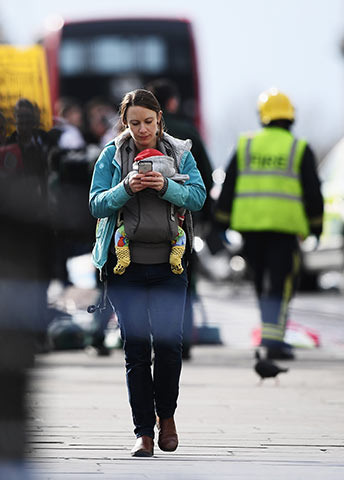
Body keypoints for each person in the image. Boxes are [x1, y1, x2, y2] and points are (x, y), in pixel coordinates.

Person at [89, 89, 206, 457]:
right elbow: (96, 203)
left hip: (170, 265)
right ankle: (143, 432)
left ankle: (166, 417)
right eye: (134, 123)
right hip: (126, 267)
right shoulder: (111, 155)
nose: (142, 130)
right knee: (136, 350)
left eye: (149, 122)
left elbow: (199, 196)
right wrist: (125, 188)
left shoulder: (179, 153)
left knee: (170, 346)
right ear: (125, 123)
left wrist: (168, 187)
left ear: (160, 120)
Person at [212, 88, 324, 361]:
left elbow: (229, 186)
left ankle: (269, 336)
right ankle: (273, 341)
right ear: (290, 117)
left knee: (261, 283)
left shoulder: (245, 145)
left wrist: (220, 223)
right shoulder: (299, 148)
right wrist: (316, 226)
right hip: (284, 230)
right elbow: (312, 191)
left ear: (263, 116)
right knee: (281, 284)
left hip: (250, 229)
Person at [147, 78, 215, 360]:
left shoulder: (140, 135)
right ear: (172, 102)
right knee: (183, 275)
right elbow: (206, 178)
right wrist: (208, 218)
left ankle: (154, 338)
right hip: (183, 220)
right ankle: (182, 340)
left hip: (147, 222)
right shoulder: (188, 132)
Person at [111, 147, 189, 276]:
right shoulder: (174, 179)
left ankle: (123, 257)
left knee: (120, 234)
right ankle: (176, 256)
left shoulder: (132, 179)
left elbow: (116, 204)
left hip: (133, 227)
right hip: (169, 228)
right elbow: (184, 205)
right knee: (181, 234)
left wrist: (127, 189)